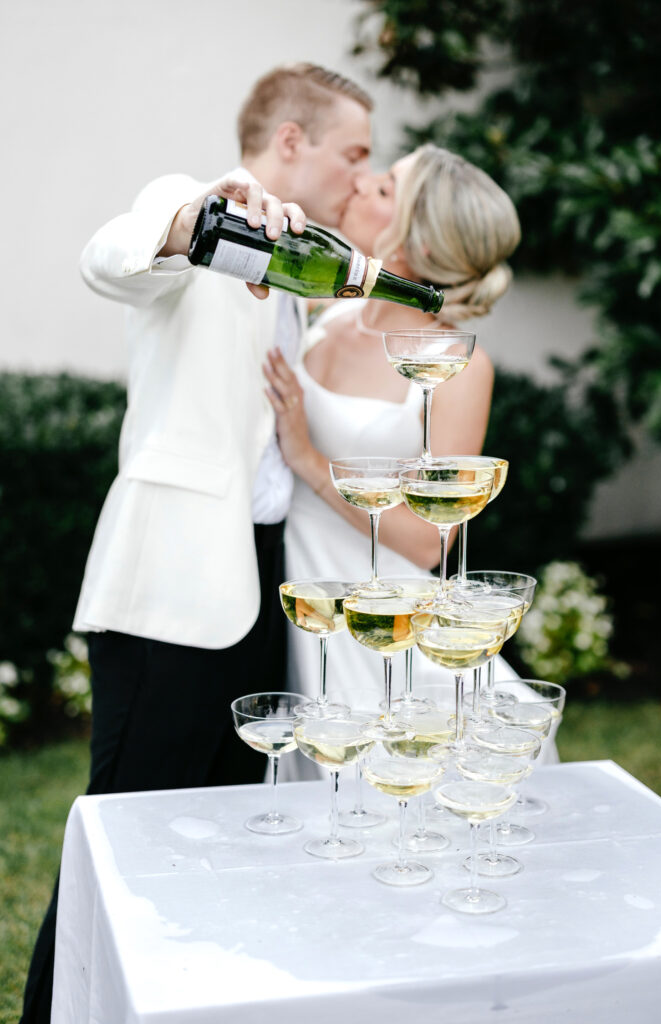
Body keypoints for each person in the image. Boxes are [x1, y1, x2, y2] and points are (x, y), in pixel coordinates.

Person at [20, 63, 373, 1023]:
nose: (359, 173)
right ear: (289, 142)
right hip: (174, 584)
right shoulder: (192, 204)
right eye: (352, 151)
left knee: (227, 832)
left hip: (264, 583)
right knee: (124, 837)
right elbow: (109, 257)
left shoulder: (313, 260)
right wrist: (193, 220)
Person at [263, 144, 545, 746]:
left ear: (418, 247)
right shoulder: (333, 314)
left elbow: (426, 543)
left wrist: (311, 464)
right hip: (298, 594)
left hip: (382, 617)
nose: (361, 185)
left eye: (386, 189)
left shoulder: (461, 367)